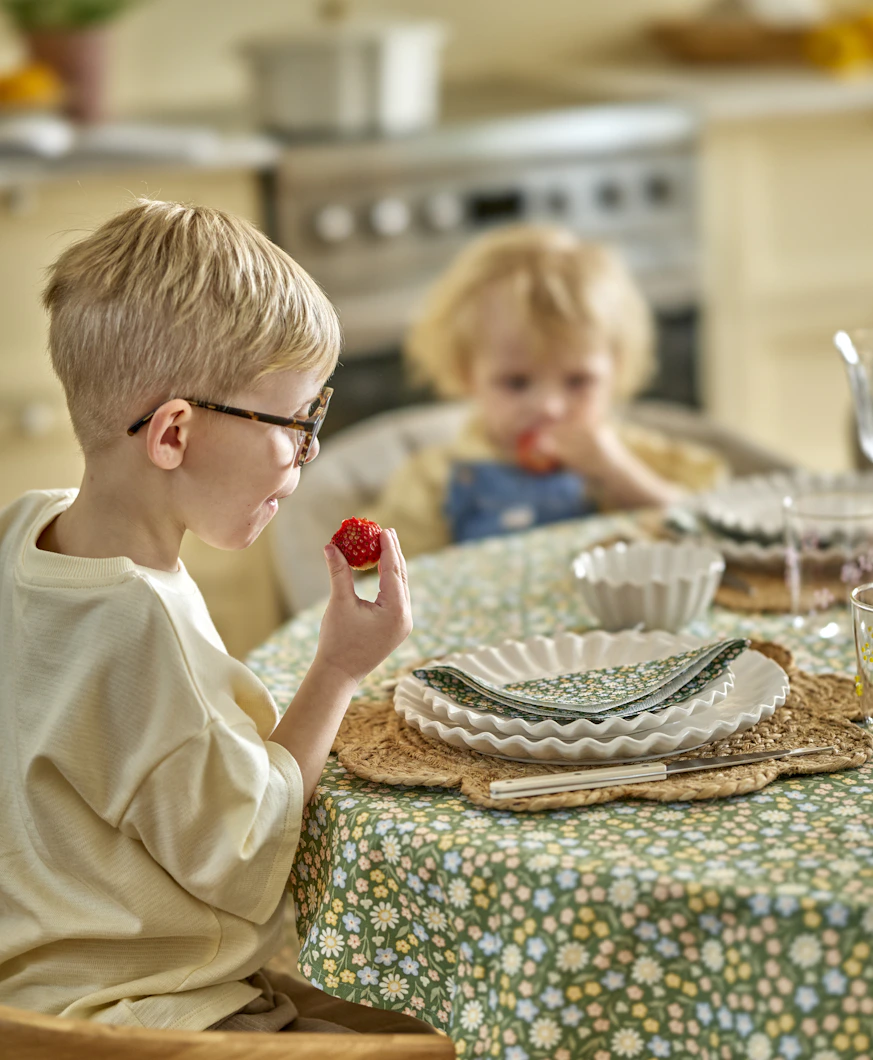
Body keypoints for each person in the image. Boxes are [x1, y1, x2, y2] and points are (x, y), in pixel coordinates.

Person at [0, 200, 428, 1037]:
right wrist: (340, 665)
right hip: (154, 1020)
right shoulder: (140, 628)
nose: (305, 454)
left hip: (27, 993)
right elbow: (246, 855)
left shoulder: (24, 530)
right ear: (171, 435)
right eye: (292, 422)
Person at [368, 224, 727, 558]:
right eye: (517, 382)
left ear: (615, 371)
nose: (549, 407)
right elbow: (394, 574)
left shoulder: (628, 452)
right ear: (467, 375)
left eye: (578, 381)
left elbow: (710, 520)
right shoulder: (435, 477)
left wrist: (618, 472)